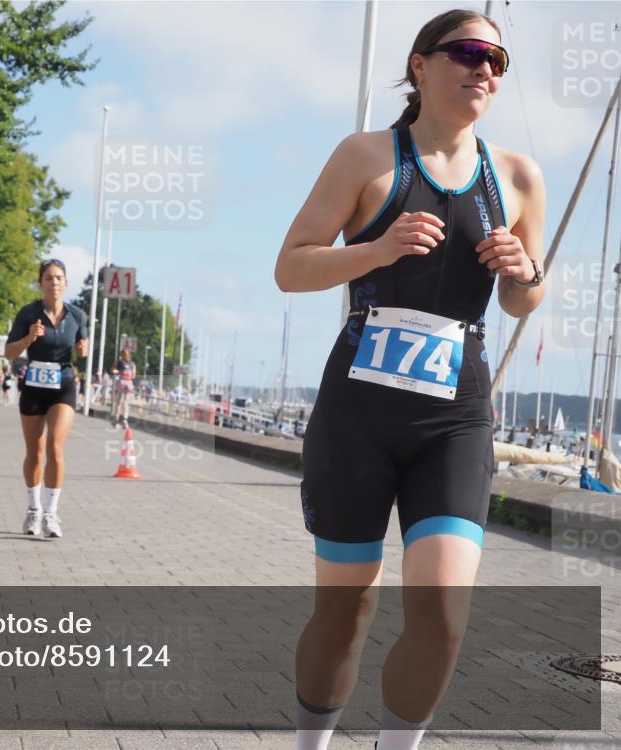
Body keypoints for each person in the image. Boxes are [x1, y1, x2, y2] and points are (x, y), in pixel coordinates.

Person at [273, 9, 545, 750]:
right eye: (467, 51)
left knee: (444, 613)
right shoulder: (367, 156)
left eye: (497, 58)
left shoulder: (516, 177)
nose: (484, 67)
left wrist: (526, 274)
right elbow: (291, 266)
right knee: (345, 614)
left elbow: (525, 298)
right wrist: (375, 250)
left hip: (455, 416)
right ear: (420, 65)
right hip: (358, 412)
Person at [4, 259, 89, 539]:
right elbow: (9, 353)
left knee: (55, 446)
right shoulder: (28, 313)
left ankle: (52, 514)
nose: (54, 283)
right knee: (35, 453)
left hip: (63, 384)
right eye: (49, 278)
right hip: (34, 386)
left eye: (59, 277)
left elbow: (83, 348)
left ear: (66, 283)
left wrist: (83, 348)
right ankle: (33, 509)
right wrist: (29, 339)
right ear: (40, 283)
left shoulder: (78, 315)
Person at [111, 349, 137, 428]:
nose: (125, 355)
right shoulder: (119, 362)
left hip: (128, 383)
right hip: (122, 382)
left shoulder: (132, 364)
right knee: (119, 401)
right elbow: (112, 370)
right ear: (122, 355)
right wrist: (119, 372)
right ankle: (116, 419)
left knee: (125, 402)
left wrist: (131, 375)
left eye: (126, 354)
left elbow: (134, 375)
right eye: (124, 354)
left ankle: (124, 419)